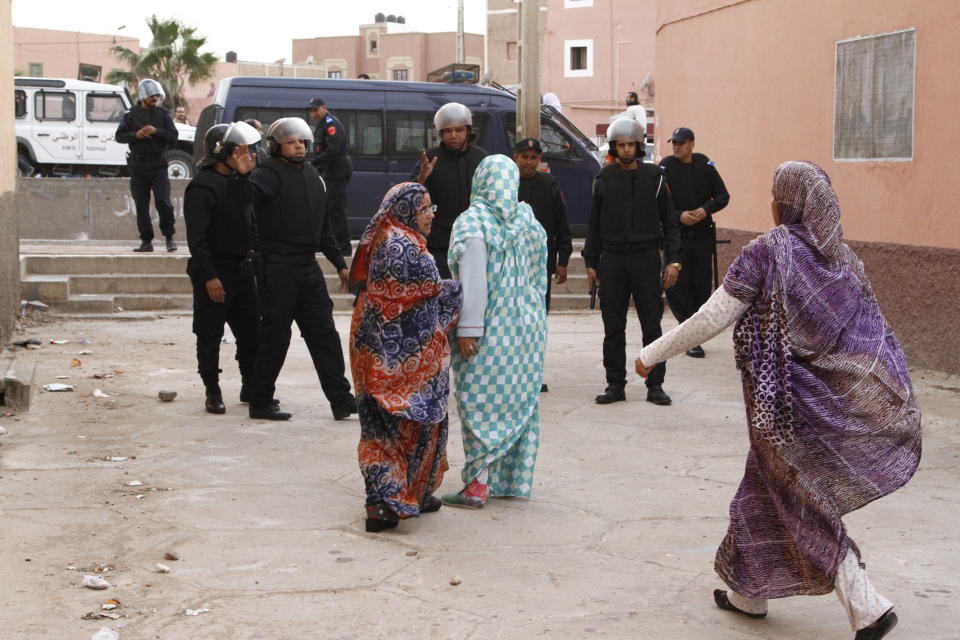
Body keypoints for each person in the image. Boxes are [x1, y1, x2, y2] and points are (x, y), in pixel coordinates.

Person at [635, 161, 920, 640]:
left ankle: (867, 605)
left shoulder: (768, 252)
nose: (771, 204)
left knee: (802, 502)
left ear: (789, 202)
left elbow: (713, 316)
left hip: (781, 410)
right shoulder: (845, 263)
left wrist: (652, 353)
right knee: (759, 495)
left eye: (775, 195)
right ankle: (748, 592)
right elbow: (874, 340)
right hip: (830, 405)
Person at [348, 182, 463, 532]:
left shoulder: (395, 235)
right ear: (406, 212)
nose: (430, 216)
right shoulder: (400, 246)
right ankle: (382, 503)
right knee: (392, 425)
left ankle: (413, 491)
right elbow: (415, 295)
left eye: (432, 208)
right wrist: (455, 291)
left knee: (407, 424)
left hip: (391, 352)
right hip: (393, 357)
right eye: (424, 210)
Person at [228, 117, 357, 422]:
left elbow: (323, 228)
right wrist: (240, 177)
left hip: (309, 269)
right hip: (278, 269)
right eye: (290, 141)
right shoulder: (266, 174)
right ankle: (260, 400)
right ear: (276, 145)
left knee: (324, 335)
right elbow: (243, 200)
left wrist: (340, 264)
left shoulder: (314, 176)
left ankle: (341, 400)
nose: (298, 145)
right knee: (275, 338)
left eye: (301, 141)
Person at [441, 155, 548, 509]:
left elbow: (472, 282)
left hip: (487, 330)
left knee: (479, 404)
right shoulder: (529, 221)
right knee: (516, 403)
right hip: (527, 330)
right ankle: (508, 481)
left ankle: (477, 486)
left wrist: (468, 329)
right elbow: (538, 277)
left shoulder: (473, 223)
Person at [582, 118, 680, 406]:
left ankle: (655, 384)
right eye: (621, 145)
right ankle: (615, 384)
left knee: (652, 324)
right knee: (613, 326)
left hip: (646, 258)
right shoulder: (603, 180)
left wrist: (673, 261)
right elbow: (593, 225)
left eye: (631, 145)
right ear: (614, 147)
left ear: (639, 146)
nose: (626, 150)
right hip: (612, 261)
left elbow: (671, 224)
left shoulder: (656, 179)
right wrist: (590, 260)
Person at [184, 122, 262, 414]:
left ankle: (250, 383)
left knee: (250, 333)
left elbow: (252, 222)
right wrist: (211, 277)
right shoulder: (203, 187)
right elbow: (198, 239)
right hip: (216, 270)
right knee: (210, 334)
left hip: (243, 269)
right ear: (222, 152)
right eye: (239, 150)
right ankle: (212, 390)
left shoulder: (241, 183)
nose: (246, 155)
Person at [660, 127, 730, 358]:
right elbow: (659, 202)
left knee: (700, 286)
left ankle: (694, 334)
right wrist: (678, 215)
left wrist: (704, 209)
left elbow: (722, 196)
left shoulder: (704, 165)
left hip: (700, 237)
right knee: (677, 287)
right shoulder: (666, 167)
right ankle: (689, 333)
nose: (676, 147)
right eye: (674, 143)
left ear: (692, 144)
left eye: (681, 143)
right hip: (676, 236)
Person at [514, 137, 573, 392]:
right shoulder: (507, 185)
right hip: (512, 267)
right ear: (516, 158)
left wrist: (563, 259)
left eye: (533, 157)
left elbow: (562, 224)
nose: (529, 162)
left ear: (539, 160)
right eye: (524, 157)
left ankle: (534, 375)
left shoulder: (549, 184)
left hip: (541, 267)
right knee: (513, 323)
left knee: (537, 322)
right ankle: (514, 375)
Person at [409, 102, 488, 279]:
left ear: (468, 131)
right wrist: (422, 177)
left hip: (474, 240)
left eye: (459, 130)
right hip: (439, 242)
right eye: (448, 131)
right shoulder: (430, 157)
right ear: (441, 133)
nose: (453, 135)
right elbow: (409, 194)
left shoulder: (481, 157)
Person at [115, 78, 179, 253]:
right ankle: (146, 241)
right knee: (141, 204)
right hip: (138, 164)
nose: (155, 98)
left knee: (163, 201)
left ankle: (169, 237)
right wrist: (136, 135)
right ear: (143, 95)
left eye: (157, 95)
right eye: (152, 95)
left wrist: (156, 131)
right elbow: (119, 136)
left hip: (158, 163)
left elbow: (173, 136)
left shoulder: (163, 115)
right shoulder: (130, 115)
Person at [307, 98, 353, 256]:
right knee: (327, 208)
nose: (313, 114)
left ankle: (344, 246)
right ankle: (329, 243)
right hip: (329, 171)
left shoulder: (330, 123)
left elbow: (333, 149)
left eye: (315, 110)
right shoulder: (322, 125)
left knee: (336, 210)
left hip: (337, 172)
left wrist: (315, 162)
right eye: (310, 111)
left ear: (324, 108)